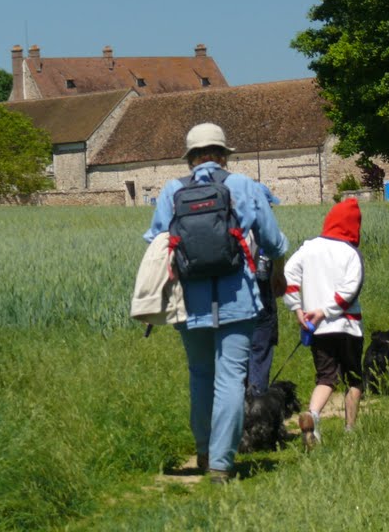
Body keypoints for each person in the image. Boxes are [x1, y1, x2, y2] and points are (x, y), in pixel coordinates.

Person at [144, 123, 288, 483]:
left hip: (188, 301)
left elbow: (156, 240)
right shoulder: (244, 186)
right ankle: (223, 465)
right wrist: (278, 271)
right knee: (230, 378)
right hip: (237, 297)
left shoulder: (172, 190)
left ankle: (205, 452)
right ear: (224, 154)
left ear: (191, 157)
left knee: (200, 375)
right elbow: (272, 241)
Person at [282, 197, 365, 447]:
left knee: (326, 378)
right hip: (348, 326)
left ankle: (313, 415)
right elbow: (351, 288)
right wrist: (326, 310)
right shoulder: (351, 253)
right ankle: (350, 429)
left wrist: (298, 309)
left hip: (317, 329)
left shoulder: (308, 247)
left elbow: (289, 275)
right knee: (354, 379)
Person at [247, 183, 284, 396]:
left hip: (233, 305)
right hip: (262, 301)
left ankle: (238, 418)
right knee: (260, 355)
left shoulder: (231, 226)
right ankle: (258, 412)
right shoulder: (268, 233)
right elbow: (277, 280)